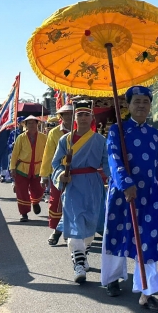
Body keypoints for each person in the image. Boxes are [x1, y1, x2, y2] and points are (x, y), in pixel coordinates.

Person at [101, 86, 158, 313]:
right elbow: (114, 158)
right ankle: (112, 277)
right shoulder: (117, 130)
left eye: (145, 102)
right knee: (117, 235)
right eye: (136, 101)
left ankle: (147, 291)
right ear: (127, 105)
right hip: (123, 193)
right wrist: (126, 184)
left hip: (148, 195)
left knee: (147, 239)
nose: (141, 105)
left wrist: (157, 187)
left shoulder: (153, 132)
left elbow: (155, 165)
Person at [51, 101, 109, 283]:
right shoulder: (65, 140)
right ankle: (78, 265)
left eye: (86, 115)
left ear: (92, 118)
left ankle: (81, 256)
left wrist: (116, 181)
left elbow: (107, 164)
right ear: (74, 118)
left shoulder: (100, 140)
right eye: (80, 115)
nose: (83, 118)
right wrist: (60, 175)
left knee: (90, 225)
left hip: (93, 185)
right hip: (73, 185)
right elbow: (55, 164)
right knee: (75, 224)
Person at [40, 104, 74, 245]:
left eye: (70, 114)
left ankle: (68, 232)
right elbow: (48, 155)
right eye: (65, 114)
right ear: (61, 116)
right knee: (56, 203)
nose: (68, 117)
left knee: (75, 204)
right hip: (59, 172)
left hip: (78, 173)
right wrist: (45, 175)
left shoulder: (83, 131)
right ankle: (56, 230)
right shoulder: (54, 133)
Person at [10, 115, 47, 222]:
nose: (31, 125)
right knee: (21, 192)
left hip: (38, 168)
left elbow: (47, 153)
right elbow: (15, 154)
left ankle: (35, 202)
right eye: (29, 123)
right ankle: (24, 213)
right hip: (22, 169)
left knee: (39, 190)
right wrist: (12, 168)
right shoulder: (20, 138)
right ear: (25, 125)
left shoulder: (44, 137)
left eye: (33, 123)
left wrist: (48, 167)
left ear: (37, 124)